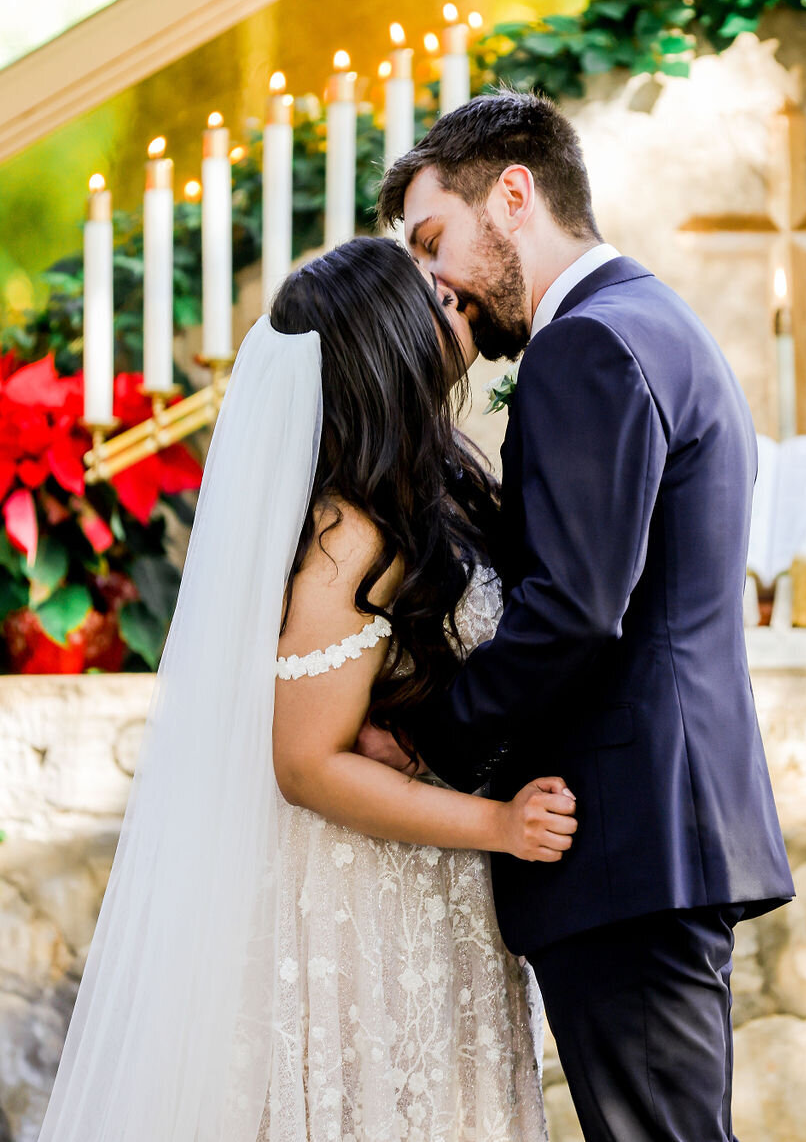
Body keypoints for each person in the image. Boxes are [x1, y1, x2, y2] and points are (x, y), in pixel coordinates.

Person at [37, 238, 570, 1142]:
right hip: (370, 901)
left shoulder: (426, 484)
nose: (455, 306)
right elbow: (305, 763)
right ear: (384, 346)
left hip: (430, 887)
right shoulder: (349, 535)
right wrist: (499, 825)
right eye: (431, 300)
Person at [366, 88, 796, 1142]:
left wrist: (424, 742)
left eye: (436, 241)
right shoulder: (654, 318)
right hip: (658, 827)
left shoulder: (587, 344)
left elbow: (572, 610)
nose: (438, 283)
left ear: (512, 193)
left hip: (622, 834)